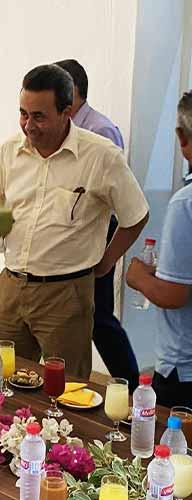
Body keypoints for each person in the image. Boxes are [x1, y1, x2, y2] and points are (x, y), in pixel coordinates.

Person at [0, 64, 148, 378]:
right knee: (7, 380)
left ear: (67, 111)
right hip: (12, 287)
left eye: (39, 116)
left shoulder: (100, 156)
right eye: (23, 113)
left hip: (66, 295)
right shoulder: (9, 151)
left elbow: (136, 214)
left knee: (67, 389)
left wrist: (107, 261)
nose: (28, 125)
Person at [54, 58, 139, 384]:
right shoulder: (61, 128)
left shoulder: (100, 130)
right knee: (74, 315)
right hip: (68, 238)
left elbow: (111, 198)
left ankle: (130, 386)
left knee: (99, 316)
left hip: (97, 234)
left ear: (71, 91)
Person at [127, 90, 192, 407]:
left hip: (184, 368)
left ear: (182, 138)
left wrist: (138, 277)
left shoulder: (186, 203)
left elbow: (174, 295)